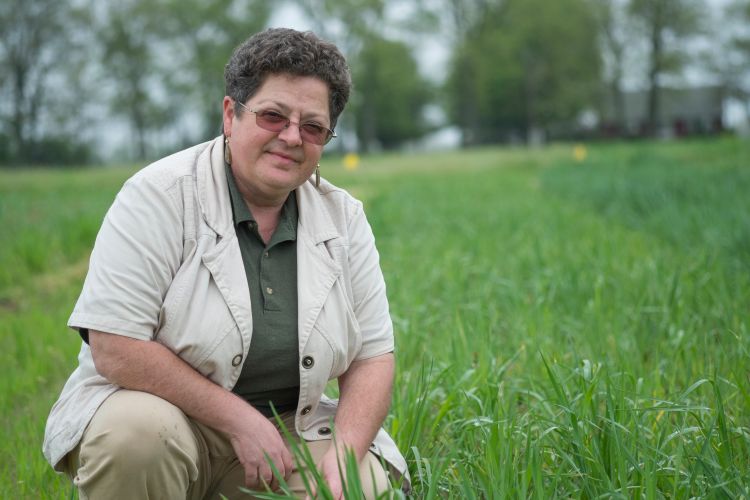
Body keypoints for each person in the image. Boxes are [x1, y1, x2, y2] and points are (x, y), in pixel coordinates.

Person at [43, 28, 409, 499]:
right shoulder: (158, 195)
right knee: (138, 437)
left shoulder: (344, 219)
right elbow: (113, 345)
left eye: (313, 126)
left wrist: (343, 455)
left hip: (285, 437)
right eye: (273, 116)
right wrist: (237, 419)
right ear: (230, 115)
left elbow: (373, 357)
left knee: (367, 484)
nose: (292, 137)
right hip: (169, 427)